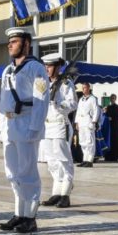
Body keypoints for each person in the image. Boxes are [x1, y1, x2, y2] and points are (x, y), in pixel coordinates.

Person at [0, 27, 48, 233]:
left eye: (15, 41)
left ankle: (30, 216)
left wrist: (35, 127)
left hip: (27, 123)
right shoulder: (8, 70)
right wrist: (1, 127)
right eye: (10, 41)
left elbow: (41, 99)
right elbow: (2, 100)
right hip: (10, 126)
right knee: (12, 172)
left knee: (28, 172)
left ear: (26, 43)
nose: (10, 44)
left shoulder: (37, 68)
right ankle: (19, 213)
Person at [39, 53, 78, 208]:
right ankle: (57, 192)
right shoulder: (44, 83)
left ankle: (65, 193)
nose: (47, 69)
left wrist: (59, 105)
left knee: (63, 160)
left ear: (58, 67)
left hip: (61, 124)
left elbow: (73, 103)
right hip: (47, 126)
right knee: (52, 161)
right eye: (46, 66)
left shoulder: (66, 83)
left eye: (49, 66)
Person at [75, 83, 100, 168]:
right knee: (82, 142)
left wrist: (94, 121)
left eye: (85, 88)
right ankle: (84, 159)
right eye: (82, 88)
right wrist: (77, 122)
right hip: (81, 122)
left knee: (90, 142)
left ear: (89, 88)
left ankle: (90, 160)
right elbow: (78, 111)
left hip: (88, 121)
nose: (83, 89)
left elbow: (96, 110)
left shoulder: (93, 98)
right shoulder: (81, 99)